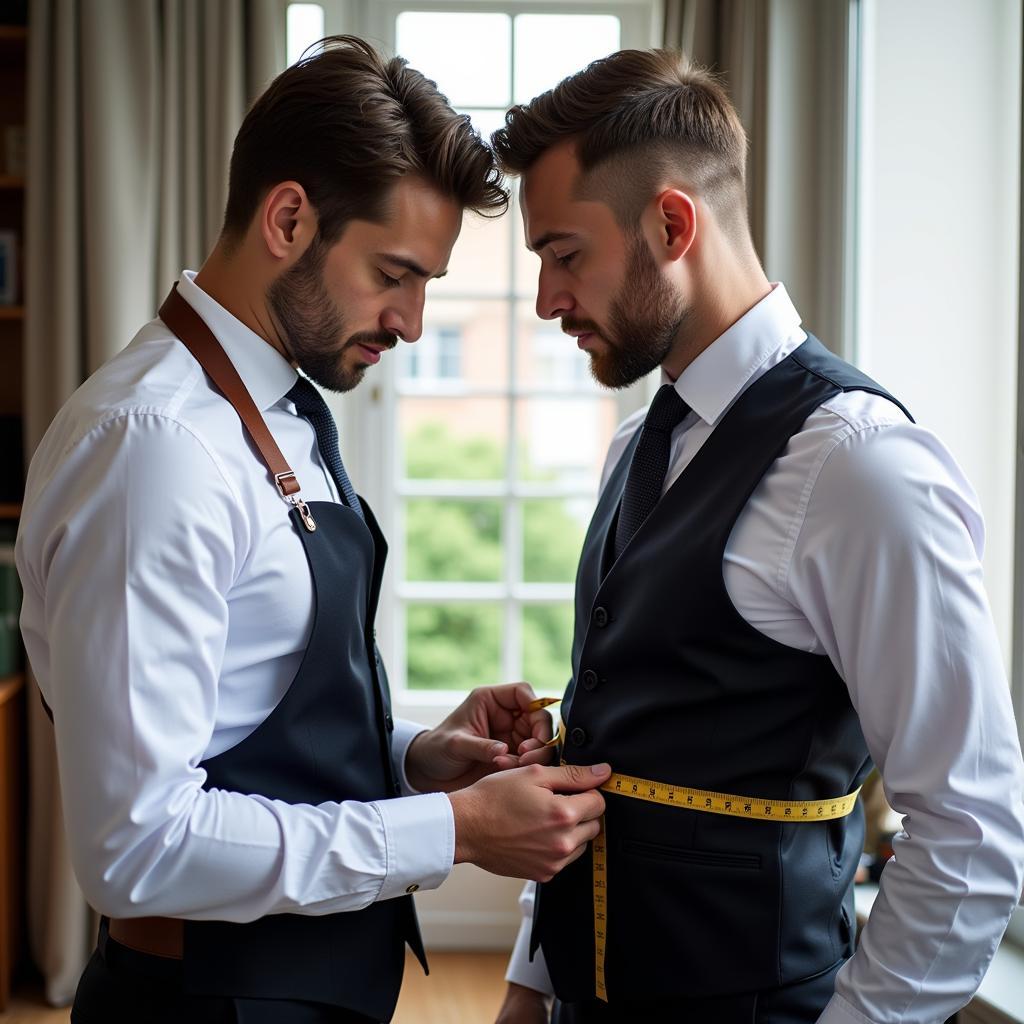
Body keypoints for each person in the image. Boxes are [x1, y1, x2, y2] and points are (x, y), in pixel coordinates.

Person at [15, 36, 611, 1024]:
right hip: (206, 1001)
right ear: (287, 218)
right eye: (395, 272)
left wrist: (415, 755)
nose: (414, 323)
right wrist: (448, 828)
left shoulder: (280, 403)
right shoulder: (155, 449)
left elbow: (238, 718)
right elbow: (134, 848)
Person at [488, 48, 1024, 1024]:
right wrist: (532, 982)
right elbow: (601, 746)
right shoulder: (632, 449)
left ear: (671, 224)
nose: (547, 300)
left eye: (565, 254)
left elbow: (969, 830)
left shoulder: (859, 466)